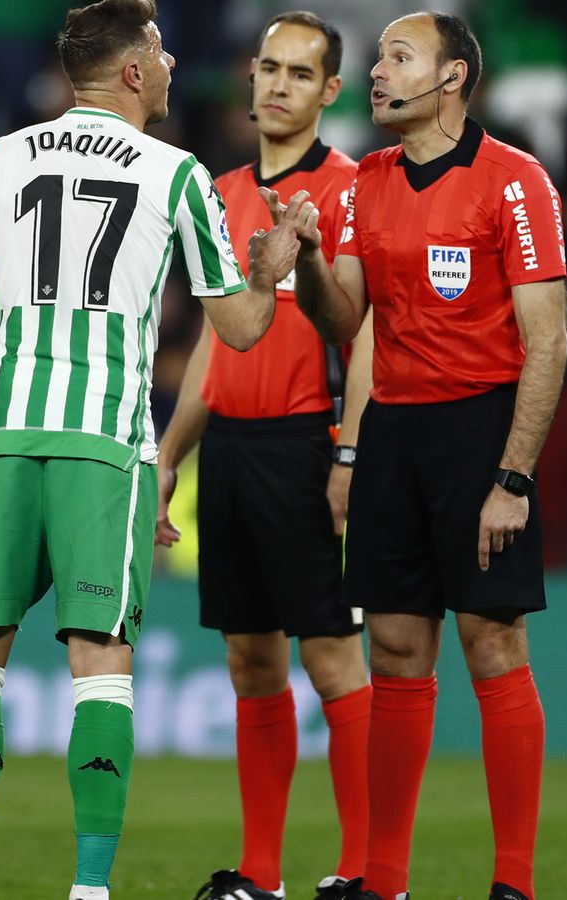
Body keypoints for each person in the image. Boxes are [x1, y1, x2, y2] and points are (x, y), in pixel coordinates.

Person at [0, 2, 301, 898]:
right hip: (103, 447)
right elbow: (239, 329)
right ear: (132, 72)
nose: (168, 65)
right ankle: (89, 892)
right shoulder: (176, 174)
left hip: (3, 436)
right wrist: (272, 266)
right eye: (159, 51)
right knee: (99, 664)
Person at [279, 13, 567, 900]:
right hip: (395, 435)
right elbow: (345, 324)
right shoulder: (366, 181)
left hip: (481, 430)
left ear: (452, 78)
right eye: (376, 58)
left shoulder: (514, 183)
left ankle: (513, 884)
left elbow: (548, 342)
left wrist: (513, 479)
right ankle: (386, 881)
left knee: (492, 644)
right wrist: (315, 261)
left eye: (397, 57)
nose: (375, 72)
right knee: (399, 651)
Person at [155, 12, 371, 900]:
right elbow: (217, 337)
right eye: (269, 69)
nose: (278, 85)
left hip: (307, 440)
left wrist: (349, 454)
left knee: (330, 659)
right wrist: (171, 452)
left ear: (330, 91)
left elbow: (367, 336)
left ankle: (364, 870)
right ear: (250, 78)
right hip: (233, 451)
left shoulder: (354, 189)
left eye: (300, 73)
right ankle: (262, 875)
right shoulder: (217, 190)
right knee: (251, 660)